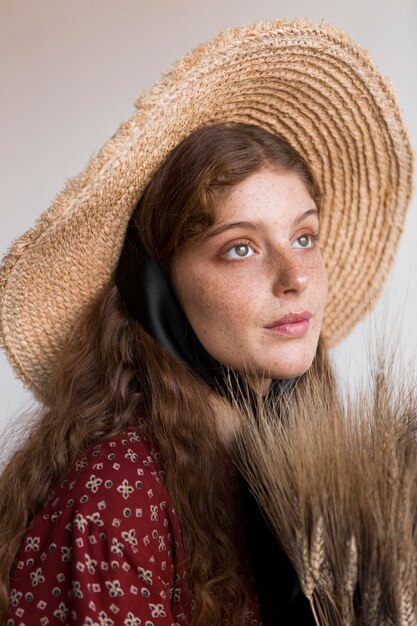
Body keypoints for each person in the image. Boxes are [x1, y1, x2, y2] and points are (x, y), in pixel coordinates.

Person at [0, 18, 414, 626]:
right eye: (240, 247)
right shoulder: (119, 495)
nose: (295, 276)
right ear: (158, 288)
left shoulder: (289, 485)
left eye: (305, 236)